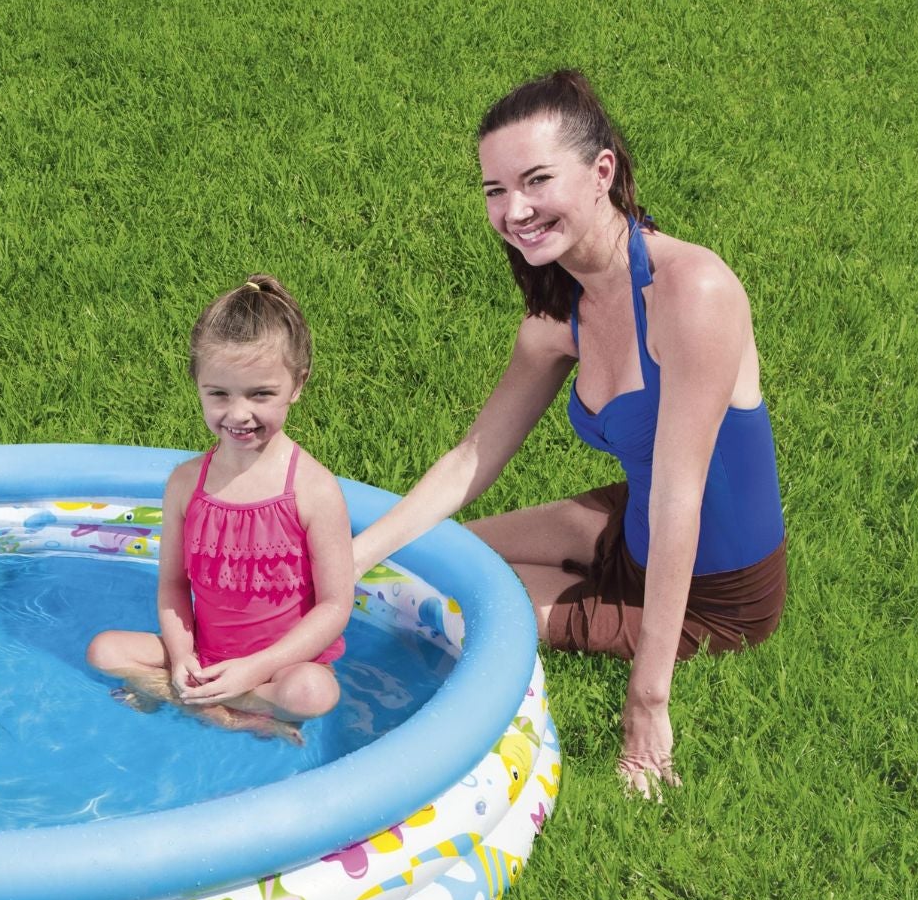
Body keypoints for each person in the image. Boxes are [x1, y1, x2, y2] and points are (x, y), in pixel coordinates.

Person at [351, 70, 786, 796]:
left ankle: (614, 627)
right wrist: (356, 554)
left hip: (714, 593)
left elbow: (684, 499)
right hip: (630, 523)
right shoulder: (562, 317)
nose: (513, 210)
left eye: (535, 181)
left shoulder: (693, 292)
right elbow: (472, 457)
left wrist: (647, 706)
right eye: (495, 190)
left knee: (451, 606)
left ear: (601, 173)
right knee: (435, 561)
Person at [87, 275, 354, 743]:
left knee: (313, 692)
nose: (238, 413)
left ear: (298, 384)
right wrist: (183, 654)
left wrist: (256, 668)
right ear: (198, 385)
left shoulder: (314, 490)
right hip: (204, 654)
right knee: (104, 650)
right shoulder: (186, 483)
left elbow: (335, 605)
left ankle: (195, 701)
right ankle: (229, 708)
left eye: (261, 394)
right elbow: (172, 583)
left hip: (279, 668)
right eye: (219, 394)